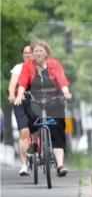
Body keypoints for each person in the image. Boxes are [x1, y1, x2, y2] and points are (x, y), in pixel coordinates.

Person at [13, 40, 72, 176]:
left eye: (41, 50)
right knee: (32, 116)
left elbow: (61, 79)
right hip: (36, 100)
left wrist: (66, 92)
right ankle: (33, 143)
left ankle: (60, 165)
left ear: (46, 52)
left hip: (54, 99)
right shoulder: (28, 66)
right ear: (32, 54)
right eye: (35, 51)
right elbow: (22, 82)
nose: (38, 53)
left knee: (57, 127)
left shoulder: (55, 64)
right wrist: (20, 95)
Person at [7, 44, 33, 176]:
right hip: (20, 101)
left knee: (37, 130)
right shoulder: (18, 68)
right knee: (24, 132)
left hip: (37, 102)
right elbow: (12, 85)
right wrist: (12, 94)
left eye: (30, 52)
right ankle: (24, 165)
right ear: (22, 55)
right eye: (25, 53)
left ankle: (41, 149)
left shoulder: (39, 67)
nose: (27, 54)